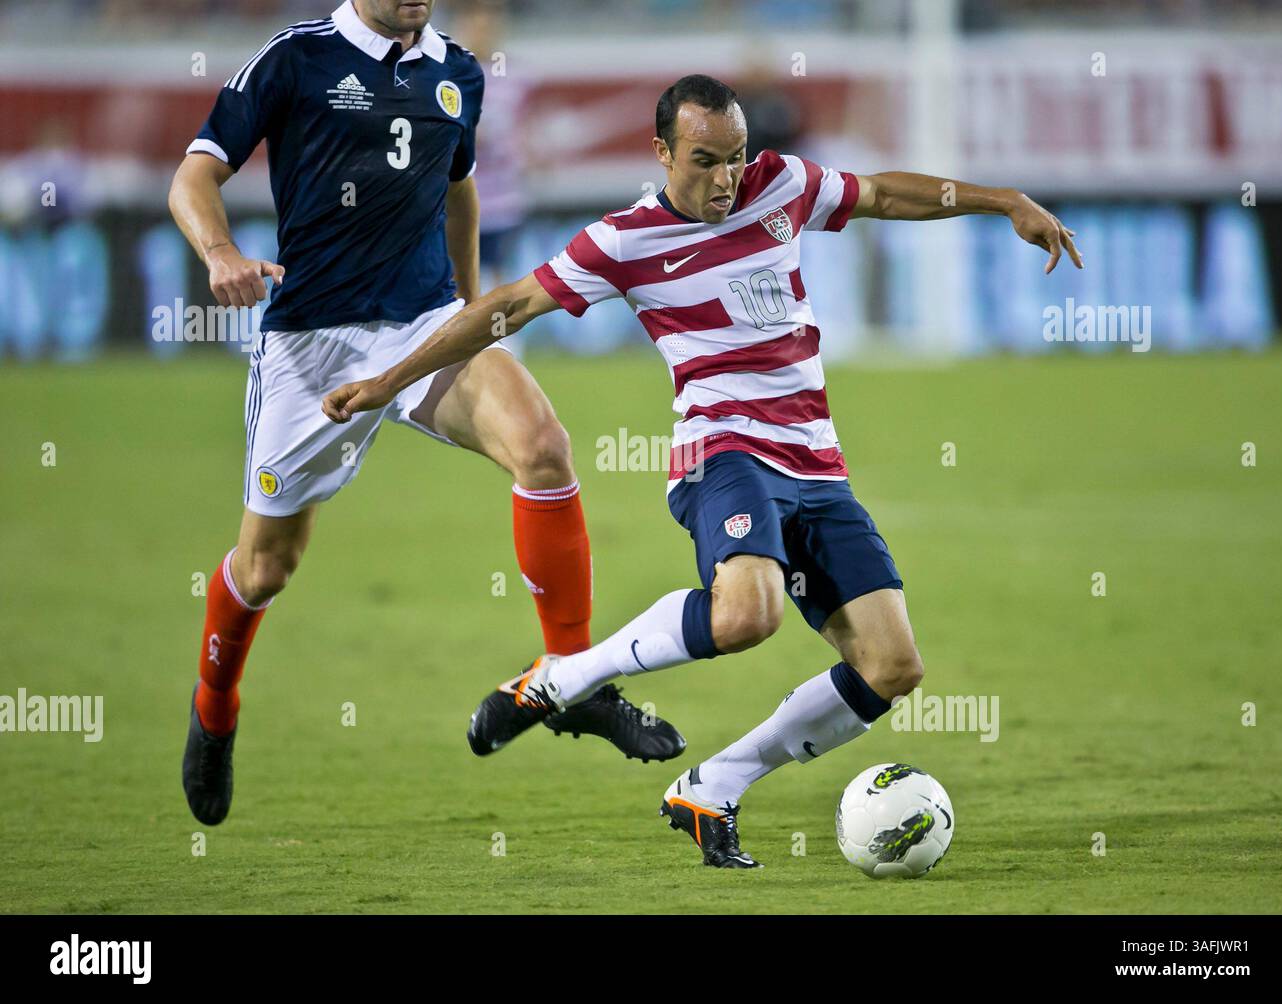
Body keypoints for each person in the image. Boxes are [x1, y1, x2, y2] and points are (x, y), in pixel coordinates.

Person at [320, 74, 1082, 866]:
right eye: (705, 160)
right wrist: (386, 383)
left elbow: (885, 194)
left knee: (892, 667)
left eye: (736, 158)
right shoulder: (622, 241)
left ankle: (712, 785)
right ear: (662, 153)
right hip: (723, 450)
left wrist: (1003, 200)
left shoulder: (780, 186)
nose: (726, 180)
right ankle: (564, 679)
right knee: (748, 614)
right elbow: (504, 307)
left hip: (816, 464)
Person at [169, 0, 685, 827]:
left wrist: (471, 318)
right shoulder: (295, 58)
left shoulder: (458, 71)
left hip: (421, 323)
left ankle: (570, 673)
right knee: (267, 566)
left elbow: (459, 194)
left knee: (544, 446)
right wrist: (221, 252)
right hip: (311, 343)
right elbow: (193, 175)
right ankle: (216, 705)